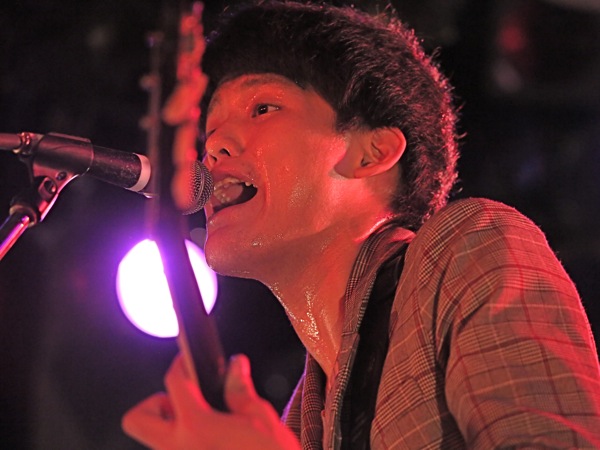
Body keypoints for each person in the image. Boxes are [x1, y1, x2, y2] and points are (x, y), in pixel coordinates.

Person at [122, 1, 600, 448]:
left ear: (372, 154)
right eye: (209, 131)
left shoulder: (470, 246)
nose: (214, 147)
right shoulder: (298, 424)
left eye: (262, 108)